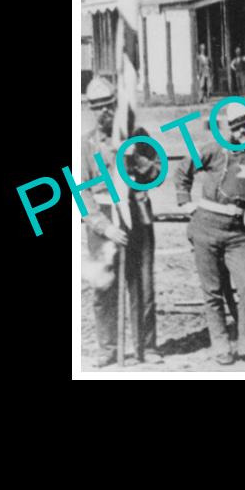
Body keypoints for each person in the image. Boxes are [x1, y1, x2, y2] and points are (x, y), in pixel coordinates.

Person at [175, 101, 245, 366]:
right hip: (206, 226)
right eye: (240, 127)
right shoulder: (216, 150)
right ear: (231, 130)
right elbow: (182, 172)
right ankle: (221, 344)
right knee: (212, 291)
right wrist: (184, 202)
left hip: (236, 233)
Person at [80, 78, 163, 366]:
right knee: (103, 287)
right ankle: (108, 347)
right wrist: (104, 227)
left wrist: (135, 157)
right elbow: (82, 193)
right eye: (97, 108)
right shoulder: (86, 143)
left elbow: (157, 171)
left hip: (136, 216)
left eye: (108, 106)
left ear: (117, 105)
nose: (104, 113)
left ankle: (146, 346)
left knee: (142, 285)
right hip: (104, 223)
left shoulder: (137, 136)